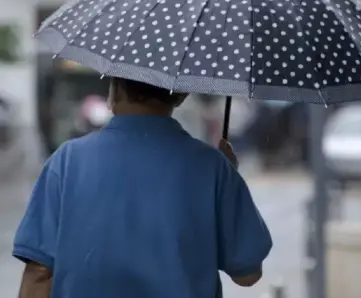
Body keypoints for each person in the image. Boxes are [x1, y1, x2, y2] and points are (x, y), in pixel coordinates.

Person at [13, 77, 273, 298]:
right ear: (181, 95)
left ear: (114, 89)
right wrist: (228, 173)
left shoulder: (67, 161)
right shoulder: (213, 168)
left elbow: (39, 272)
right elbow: (248, 274)